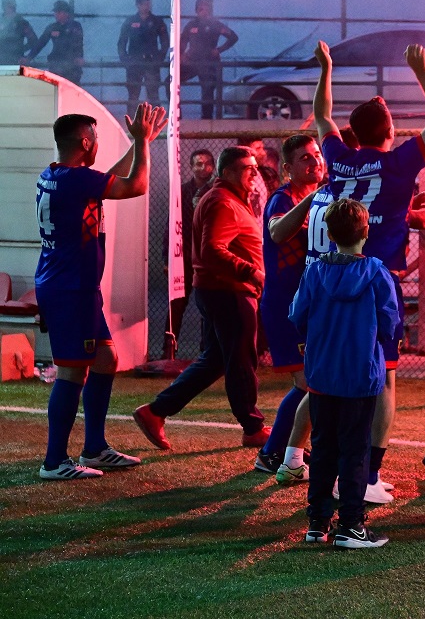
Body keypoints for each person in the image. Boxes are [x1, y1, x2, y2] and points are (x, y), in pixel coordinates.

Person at [306, 40, 425, 504]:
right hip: (376, 278)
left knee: (331, 374)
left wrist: (326, 70)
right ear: (390, 130)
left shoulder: (339, 156)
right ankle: (366, 477)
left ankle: (329, 468)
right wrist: (423, 72)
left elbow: (322, 118)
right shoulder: (395, 163)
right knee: (382, 379)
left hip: (330, 272)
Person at [34, 105, 163, 480]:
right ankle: (54, 462)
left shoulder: (59, 175)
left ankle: (94, 449)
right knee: (72, 372)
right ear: (86, 143)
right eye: (97, 140)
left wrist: (142, 143)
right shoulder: (77, 182)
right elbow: (135, 186)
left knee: (105, 359)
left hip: (70, 284)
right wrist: (141, 144)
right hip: (71, 288)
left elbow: (104, 179)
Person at [133, 146, 272, 451]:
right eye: (246, 168)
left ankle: (155, 411)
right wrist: (252, 272)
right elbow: (211, 250)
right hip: (229, 292)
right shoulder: (222, 201)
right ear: (226, 173)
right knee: (241, 360)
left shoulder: (230, 199)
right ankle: (253, 427)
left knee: (215, 361)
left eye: (254, 168)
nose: (253, 173)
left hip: (225, 291)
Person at [289, 197, 401, 548]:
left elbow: (297, 314)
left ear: (328, 233)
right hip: (359, 376)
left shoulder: (315, 271)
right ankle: (351, 525)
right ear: (366, 231)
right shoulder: (377, 272)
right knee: (355, 449)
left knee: (322, 449)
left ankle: (317, 523)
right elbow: (390, 322)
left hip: (322, 375)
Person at [252, 134, 328, 482]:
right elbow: (277, 232)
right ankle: (272, 453)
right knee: (310, 383)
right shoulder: (282, 199)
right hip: (285, 306)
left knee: (311, 382)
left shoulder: (321, 198)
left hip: (307, 305)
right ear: (287, 168)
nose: (314, 163)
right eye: (305, 159)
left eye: (316, 156)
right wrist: (311, 200)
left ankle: (286, 449)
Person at [174, 148, 217, 354]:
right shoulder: (182, 191)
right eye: (198, 164)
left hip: (207, 255)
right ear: (191, 167)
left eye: (207, 163)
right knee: (177, 303)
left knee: (208, 304)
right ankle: (169, 348)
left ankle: (206, 350)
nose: (203, 168)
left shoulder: (215, 191)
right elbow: (171, 224)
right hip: (183, 253)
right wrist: (168, 257)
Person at [180, 0, 237, 119]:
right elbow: (182, 41)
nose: (204, 10)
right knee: (170, 80)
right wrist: (181, 55)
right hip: (192, 61)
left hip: (208, 62)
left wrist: (219, 50)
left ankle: (206, 119)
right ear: (196, 10)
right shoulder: (191, 25)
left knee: (208, 89)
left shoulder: (215, 24)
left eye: (206, 7)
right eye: (201, 7)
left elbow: (233, 37)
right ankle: (177, 114)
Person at [116, 0, 168, 113]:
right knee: (133, 94)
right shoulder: (130, 21)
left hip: (151, 62)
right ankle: (131, 122)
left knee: (153, 94)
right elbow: (122, 42)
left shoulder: (157, 21)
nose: (146, 6)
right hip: (134, 62)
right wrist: (125, 60)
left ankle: (156, 123)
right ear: (137, 5)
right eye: (143, 3)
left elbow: (165, 42)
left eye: (147, 3)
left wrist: (159, 58)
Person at [25, 0, 86, 84]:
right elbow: (41, 43)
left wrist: (79, 56)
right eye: (55, 12)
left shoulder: (75, 26)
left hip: (72, 65)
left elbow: (78, 42)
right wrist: (29, 57)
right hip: (56, 63)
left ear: (66, 13)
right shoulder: (52, 27)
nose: (56, 14)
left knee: (71, 89)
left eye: (59, 12)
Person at [1, 0, 38, 64]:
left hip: (16, 61)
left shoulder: (21, 22)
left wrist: (20, 50)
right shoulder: (1, 21)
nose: (8, 8)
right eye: (6, 6)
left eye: (10, 6)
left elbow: (33, 41)